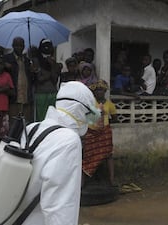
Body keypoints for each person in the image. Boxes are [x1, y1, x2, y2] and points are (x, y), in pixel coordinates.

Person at [6, 81, 101, 225]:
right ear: (80, 110)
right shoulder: (68, 140)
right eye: (89, 115)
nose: (89, 121)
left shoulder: (33, 127)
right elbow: (60, 206)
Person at [82, 79, 117, 186]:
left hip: (105, 132)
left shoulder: (110, 105)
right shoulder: (90, 103)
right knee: (88, 156)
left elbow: (115, 118)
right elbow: (87, 118)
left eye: (101, 90)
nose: (99, 92)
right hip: (91, 132)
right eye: (97, 90)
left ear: (105, 91)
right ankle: (82, 182)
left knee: (108, 155)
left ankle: (111, 180)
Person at [3, 37, 35, 123]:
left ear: (24, 46)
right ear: (13, 46)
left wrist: (33, 70)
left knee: (26, 124)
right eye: (17, 45)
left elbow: (32, 79)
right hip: (14, 97)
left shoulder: (28, 61)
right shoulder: (6, 59)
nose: (19, 47)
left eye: (21, 45)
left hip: (26, 97)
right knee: (13, 124)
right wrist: (5, 66)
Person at [33, 39, 60, 121]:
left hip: (53, 93)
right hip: (41, 94)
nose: (47, 48)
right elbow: (39, 79)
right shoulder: (36, 61)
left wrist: (52, 65)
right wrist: (49, 75)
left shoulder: (53, 61)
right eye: (45, 46)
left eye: (49, 45)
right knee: (41, 118)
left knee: (53, 118)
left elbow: (55, 79)